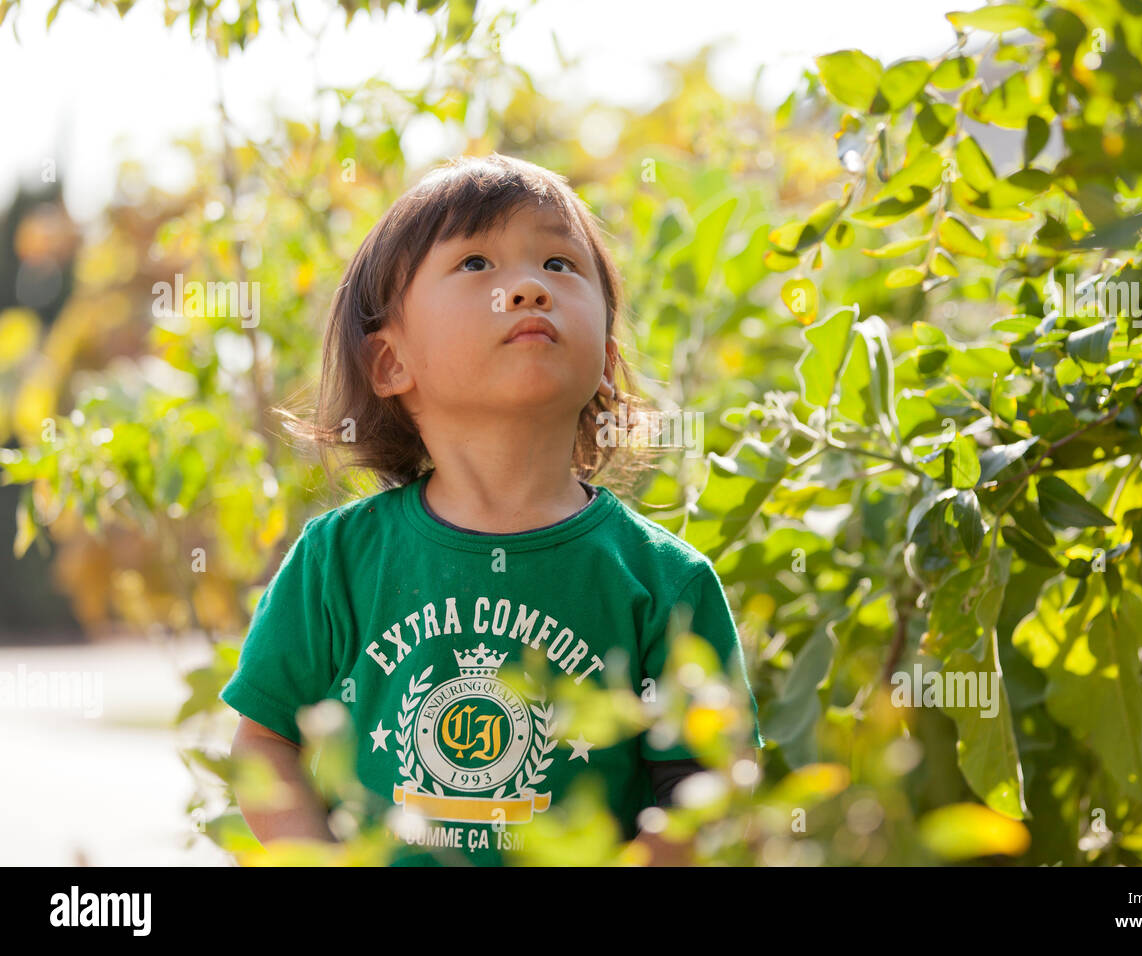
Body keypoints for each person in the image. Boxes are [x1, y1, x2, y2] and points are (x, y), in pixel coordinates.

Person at [219, 153, 763, 866]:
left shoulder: (666, 583)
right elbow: (265, 744)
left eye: (561, 265)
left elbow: (714, 788)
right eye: (477, 263)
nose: (531, 287)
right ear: (390, 364)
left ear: (604, 352)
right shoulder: (337, 561)